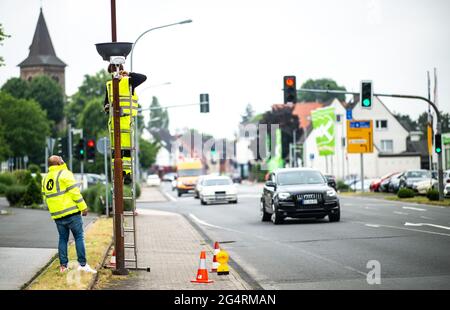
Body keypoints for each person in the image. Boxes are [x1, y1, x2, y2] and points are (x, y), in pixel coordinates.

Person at [41, 155, 97, 274]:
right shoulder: (65, 173)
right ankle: (82, 265)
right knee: (79, 237)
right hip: (71, 213)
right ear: (58, 162)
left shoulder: (46, 178)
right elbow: (75, 193)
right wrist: (83, 207)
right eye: (60, 158)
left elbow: (45, 197)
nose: (62, 159)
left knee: (63, 239)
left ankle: (63, 266)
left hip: (57, 216)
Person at [104, 64, 147, 184]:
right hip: (114, 122)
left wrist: (128, 74)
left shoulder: (129, 81)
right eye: (112, 71)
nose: (114, 73)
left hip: (126, 121)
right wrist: (107, 107)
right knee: (115, 150)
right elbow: (106, 103)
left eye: (115, 70)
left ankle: (127, 174)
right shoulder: (109, 85)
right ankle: (117, 173)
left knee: (126, 150)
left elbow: (143, 77)